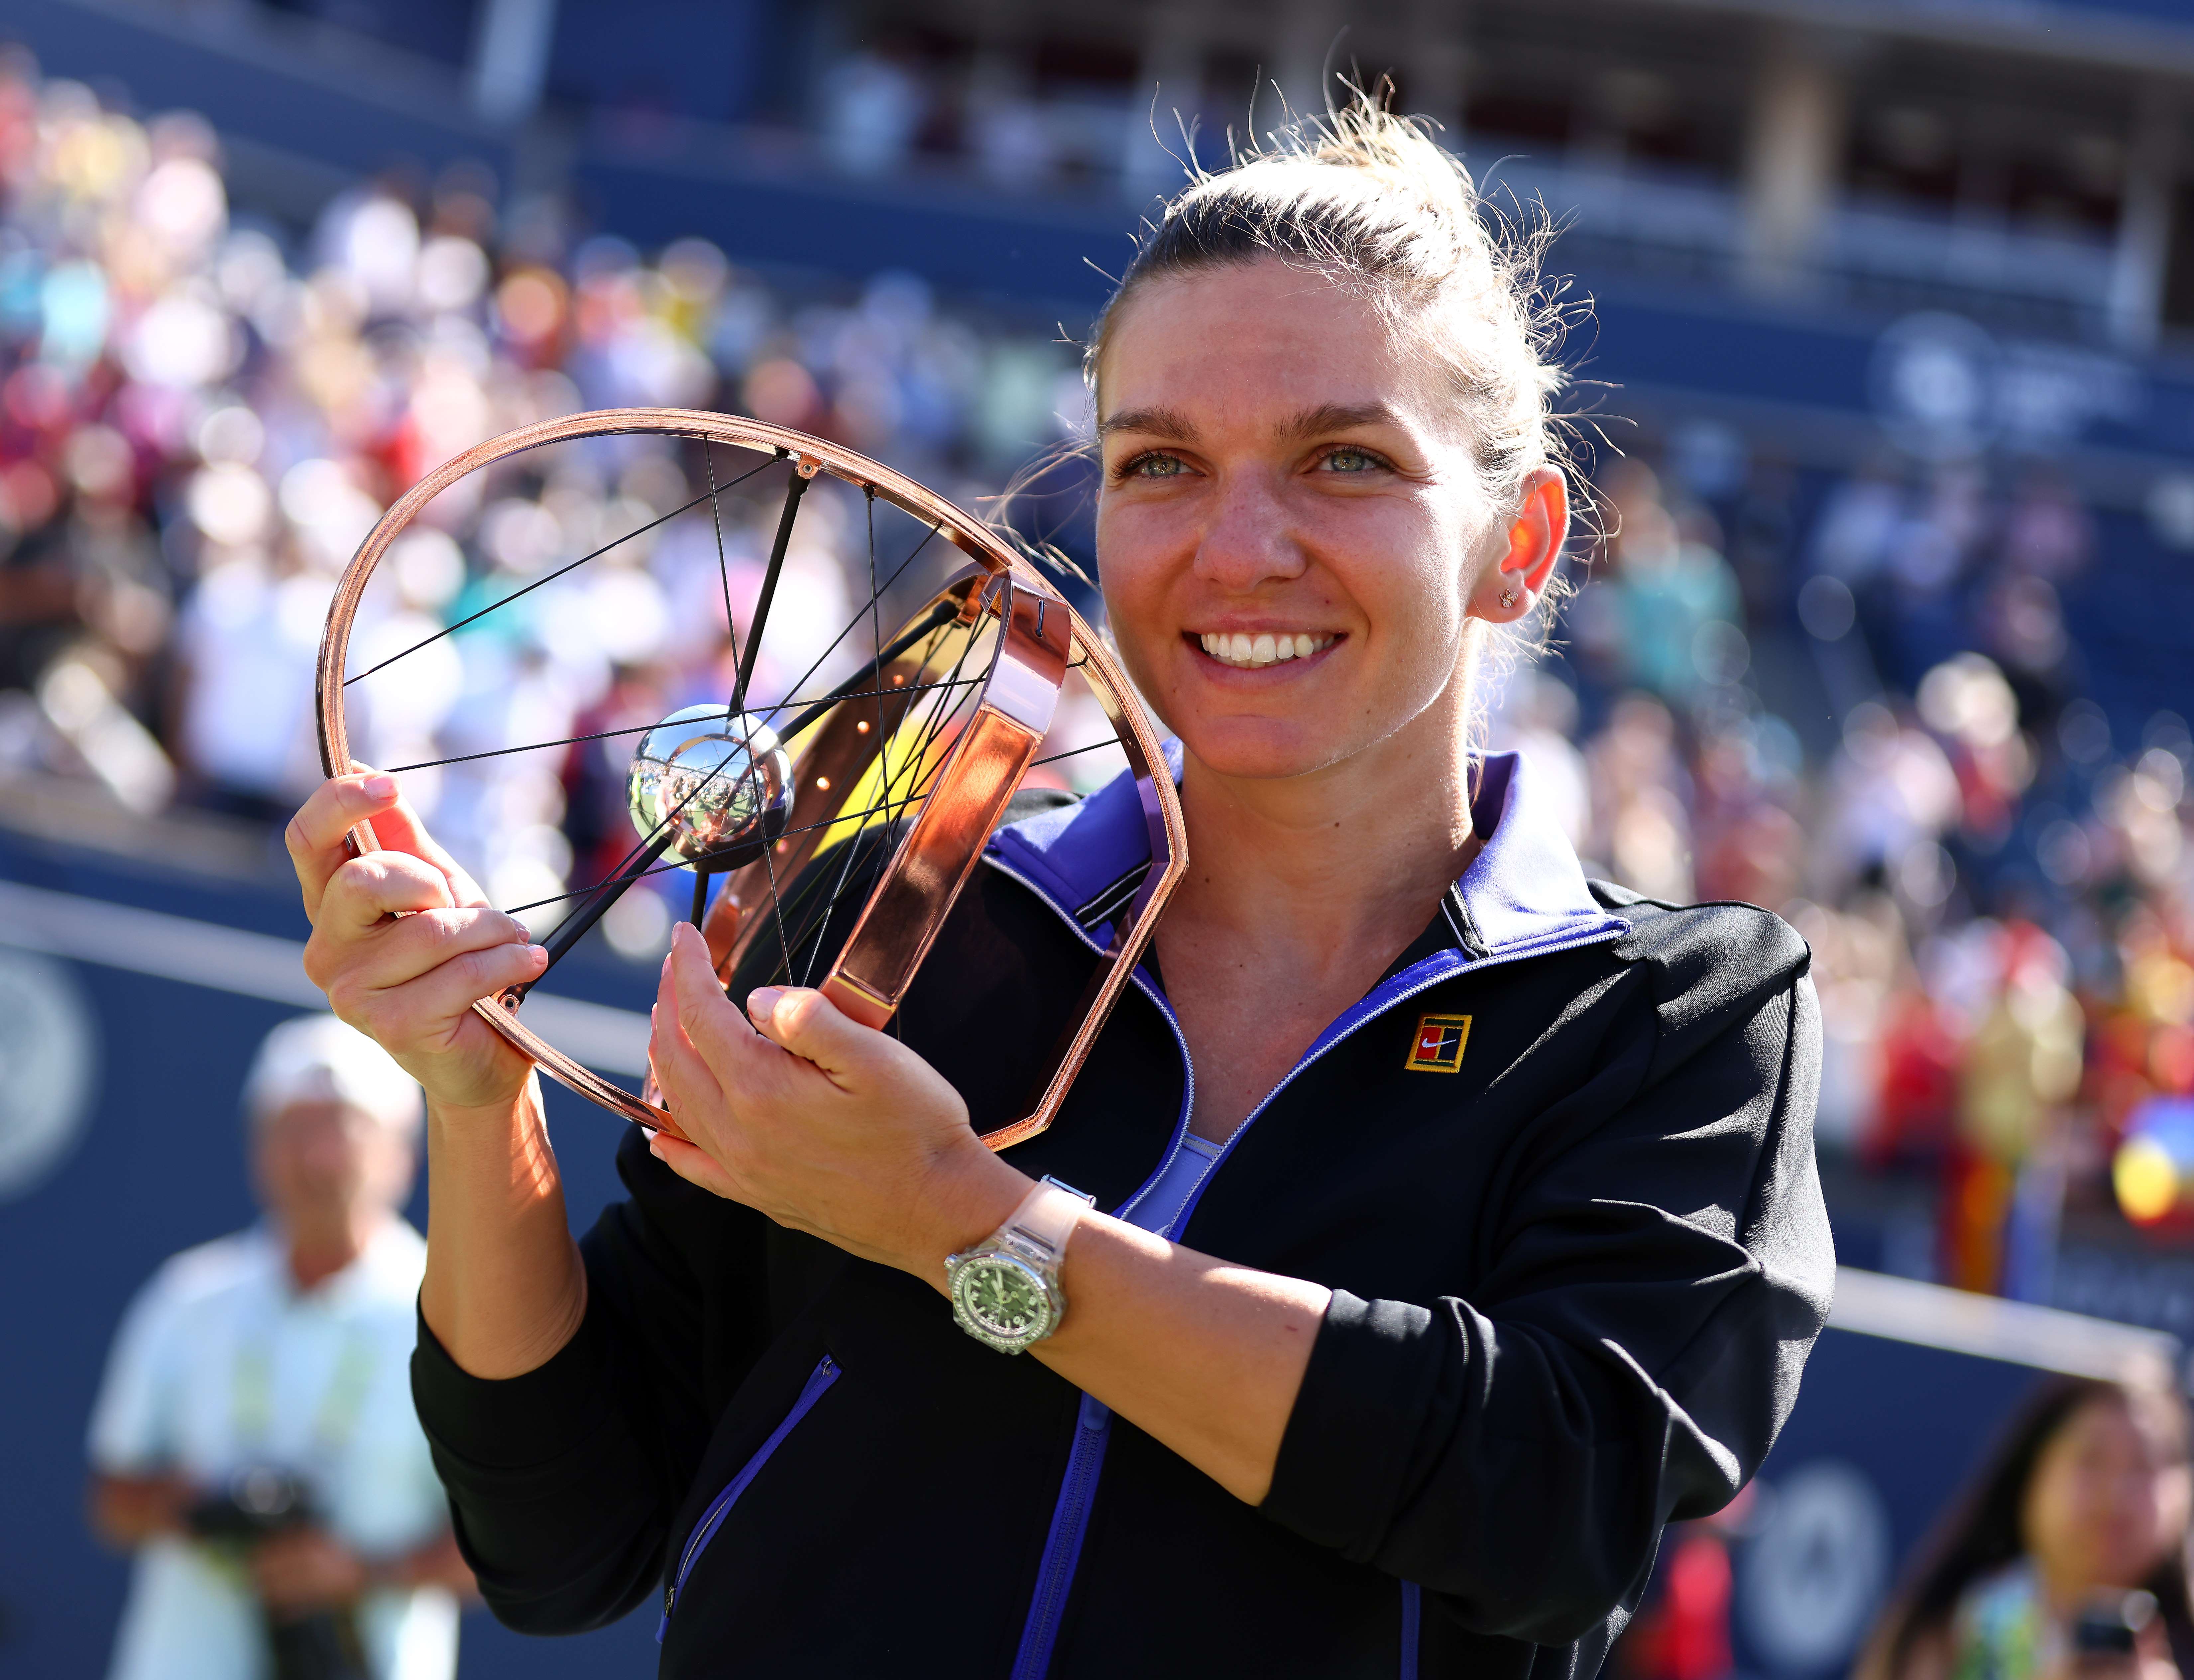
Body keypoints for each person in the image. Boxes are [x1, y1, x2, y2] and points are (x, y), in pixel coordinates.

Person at [286, 94, 1833, 1678]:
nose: (1239, 546)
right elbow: (566, 1543)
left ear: (1518, 543)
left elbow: (1549, 1500)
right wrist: (480, 1110)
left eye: (1344, 461)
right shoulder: (904, 918)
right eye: (1160, 462)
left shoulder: (1672, 1012)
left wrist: (967, 1228)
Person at [86, 1014, 475, 1680]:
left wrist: (358, 1571)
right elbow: (112, 1498)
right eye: (294, 1129)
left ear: (402, 1155)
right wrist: (198, 1513)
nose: (318, 1157)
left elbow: (507, 1553)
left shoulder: (455, 1320)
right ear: (257, 1148)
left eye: (344, 1129)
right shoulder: (187, 1300)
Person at [1858, 1373, 2194, 1680]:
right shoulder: (1954, 1628)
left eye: (2142, 1465)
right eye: (2092, 1459)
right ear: (2032, 1474)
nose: (2116, 1493)